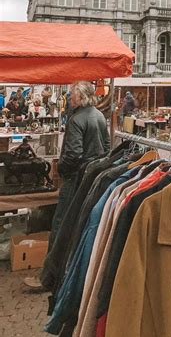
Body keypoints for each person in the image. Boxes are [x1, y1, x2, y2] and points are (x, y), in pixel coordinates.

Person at [24, 81, 109, 290]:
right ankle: (70, 276)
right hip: (92, 178)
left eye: (72, 94)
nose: (70, 98)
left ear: (80, 97)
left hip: (75, 178)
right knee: (79, 226)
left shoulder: (77, 118)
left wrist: (61, 169)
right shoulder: (99, 116)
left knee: (60, 226)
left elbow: (72, 154)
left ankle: (48, 278)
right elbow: (107, 148)